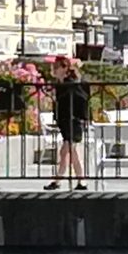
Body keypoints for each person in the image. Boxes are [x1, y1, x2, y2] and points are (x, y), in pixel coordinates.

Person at [46, 63, 91, 191]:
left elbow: (78, 101)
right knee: (66, 151)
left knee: (70, 150)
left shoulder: (71, 85)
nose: (54, 71)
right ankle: (65, 180)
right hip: (68, 121)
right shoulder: (63, 84)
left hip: (73, 121)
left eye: (57, 68)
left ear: (64, 69)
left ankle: (76, 180)